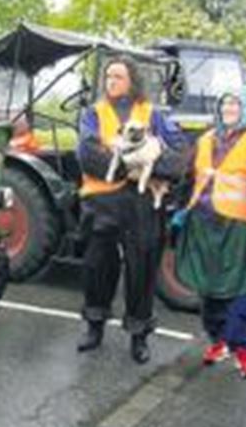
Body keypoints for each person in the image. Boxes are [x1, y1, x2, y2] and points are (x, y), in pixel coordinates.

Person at [77, 57, 187, 364]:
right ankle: (94, 326)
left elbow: (180, 154)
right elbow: (87, 154)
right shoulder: (92, 114)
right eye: (108, 76)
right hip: (102, 201)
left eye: (118, 76)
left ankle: (139, 335)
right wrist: (131, 168)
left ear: (132, 81)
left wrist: (153, 171)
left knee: (143, 269)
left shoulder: (152, 114)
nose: (111, 81)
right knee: (98, 266)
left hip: (141, 204)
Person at [174, 84, 246, 378]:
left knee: (241, 289)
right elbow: (187, 182)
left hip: (240, 227)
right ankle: (218, 340)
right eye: (224, 105)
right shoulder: (205, 139)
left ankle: (244, 350)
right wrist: (179, 219)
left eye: (234, 104)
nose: (228, 110)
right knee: (209, 289)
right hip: (203, 224)